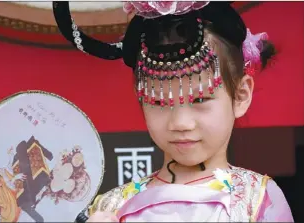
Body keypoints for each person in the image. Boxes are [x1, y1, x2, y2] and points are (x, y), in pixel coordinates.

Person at [53, 1, 294, 222]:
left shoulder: (260, 201)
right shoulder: (111, 207)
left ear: (241, 95)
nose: (180, 122)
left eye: (200, 98)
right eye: (160, 101)